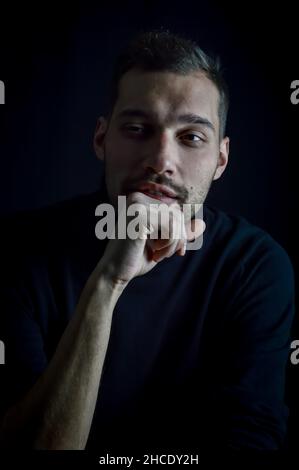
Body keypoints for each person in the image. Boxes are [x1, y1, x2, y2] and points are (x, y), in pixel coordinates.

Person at [0, 30, 294, 452]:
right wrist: (107, 283)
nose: (161, 161)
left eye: (191, 137)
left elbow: (251, 440)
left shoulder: (256, 265)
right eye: (138, 129)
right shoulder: (15, 252)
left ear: (221, 160)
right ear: (101, 139)